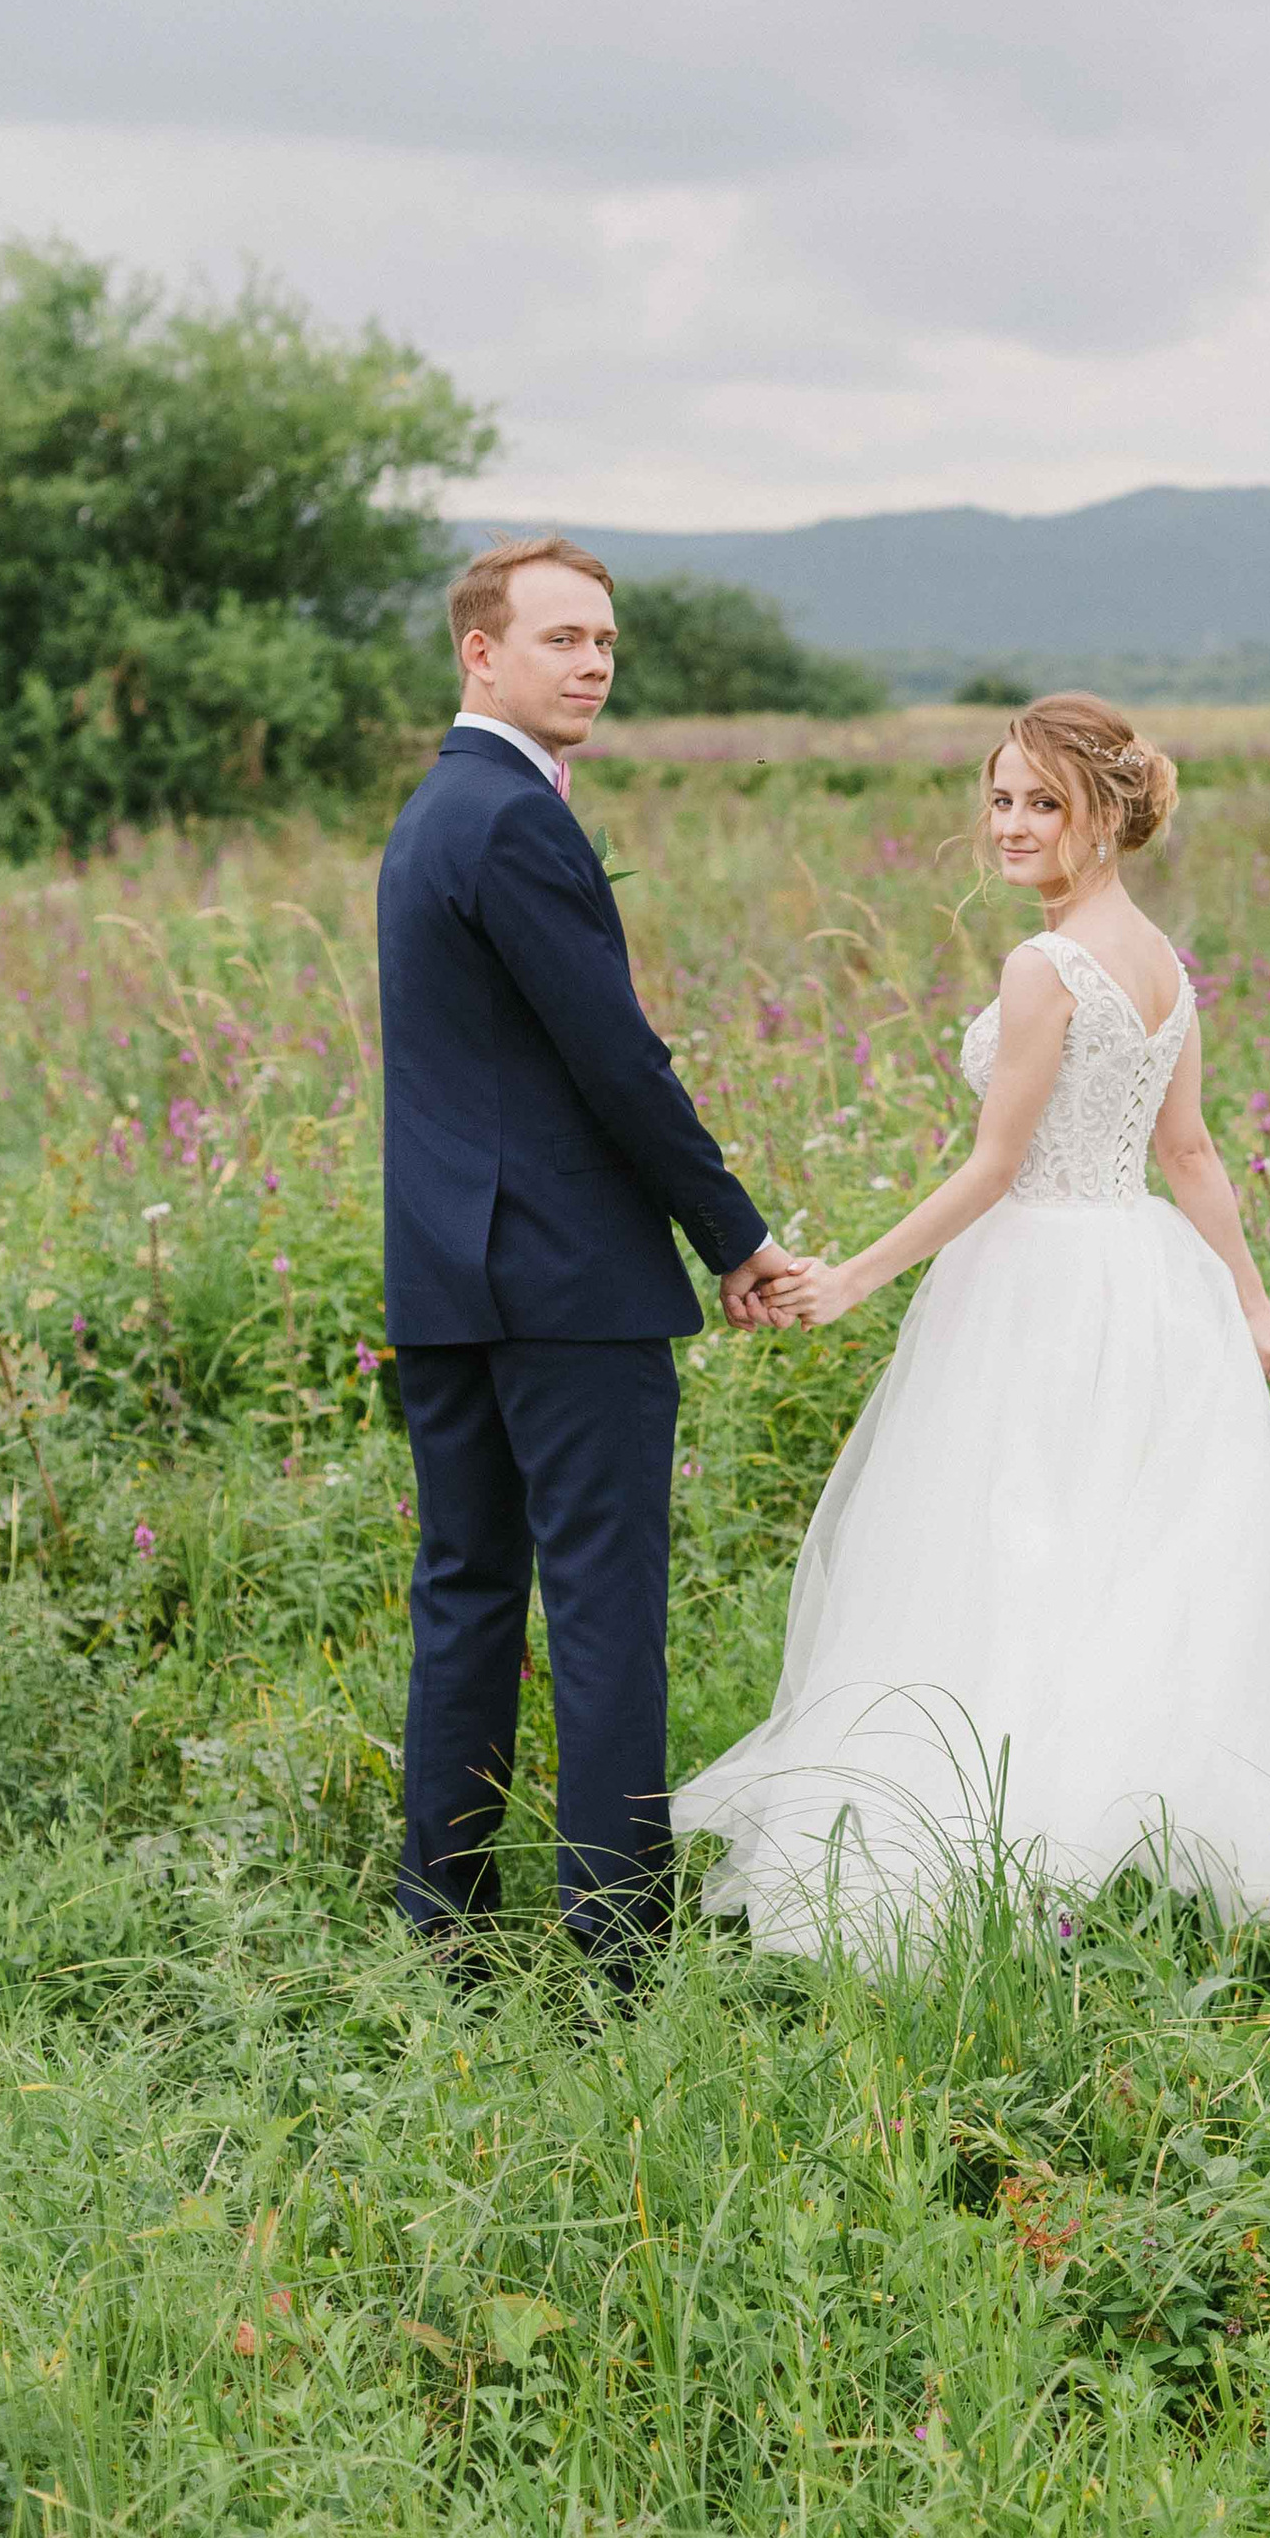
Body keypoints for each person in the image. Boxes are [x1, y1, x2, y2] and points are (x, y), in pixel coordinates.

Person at [668, 693, 1270, 1955]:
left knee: (998, 1551)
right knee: (1102, 1554)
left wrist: (857, 1276)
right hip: (1143, 1280)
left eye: (1044, 803)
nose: (1011, 825)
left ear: (1106, 816)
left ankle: (993, 1844)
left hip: (1037, 1281)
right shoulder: (1162, 961)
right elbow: (1186, 1155)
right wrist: (1247, 1303)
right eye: (998, 799)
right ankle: (1098, 1833)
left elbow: (996, 1166)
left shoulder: (1044, 967)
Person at [377, 533, 797, 1985]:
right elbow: (615, 1063)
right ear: (479, 652)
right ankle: (617, 1952)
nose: (595, 664)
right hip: (563, 1285)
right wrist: (733, 1231)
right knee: (606, 1606)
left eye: (605, 641)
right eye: (562, 639)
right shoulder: (511, 821)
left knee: (470, 1592)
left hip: (447, 1277)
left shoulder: (435, 813)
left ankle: (444, 1929)